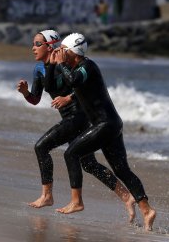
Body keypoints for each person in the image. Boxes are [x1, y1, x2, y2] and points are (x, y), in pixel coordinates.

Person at [17, 30, 136, 223]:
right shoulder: (39, 69)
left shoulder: (65, 64)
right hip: (69, 118)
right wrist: (25, 93)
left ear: (51, 46)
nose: (33, 48)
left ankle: (48, 196)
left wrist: (68, 97)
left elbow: (82, 84)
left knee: (42, 146)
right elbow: (36, 99)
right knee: (88, 164)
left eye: (38, 44)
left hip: (79, 116)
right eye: (33, 44)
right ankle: (126, 197)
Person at [52, 33, 156, 231]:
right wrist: (70, 98)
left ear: (73, 52)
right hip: (111, 124)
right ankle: (147, 210)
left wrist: (60, 65)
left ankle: (77, 202)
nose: (60, 53)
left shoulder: (86, 66)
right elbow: (86, 87)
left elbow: (74, 80)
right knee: (121, 170)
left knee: (71, 153)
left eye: (63, 50)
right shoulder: (82, 68)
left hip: (105, 124)